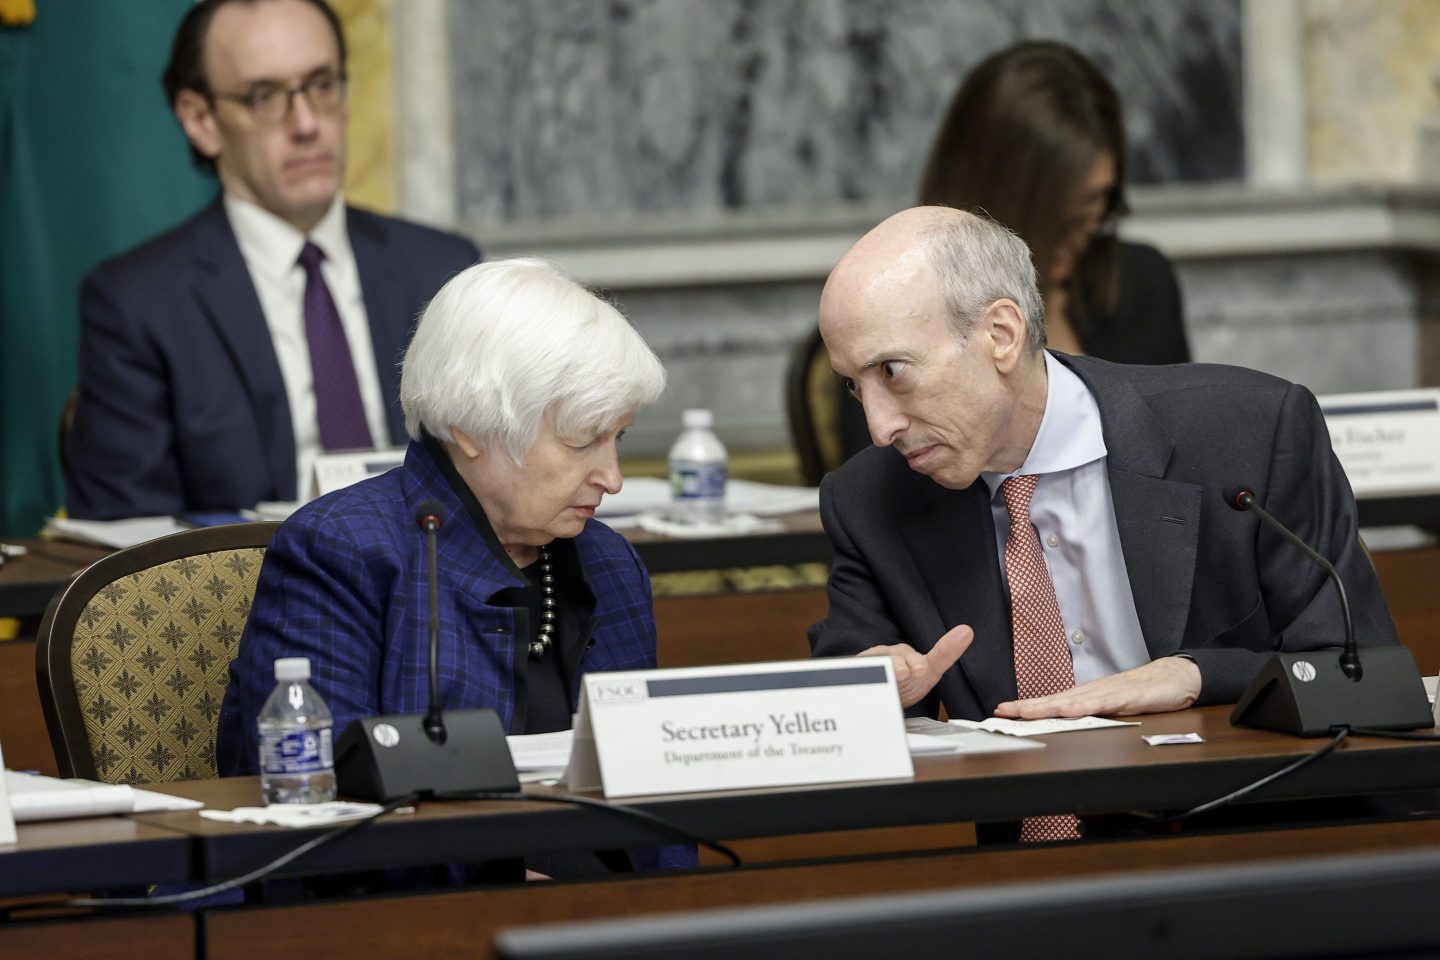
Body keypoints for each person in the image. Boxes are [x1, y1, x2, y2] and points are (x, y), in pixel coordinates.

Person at [808, 206, 1399, 728]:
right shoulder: (870, 499)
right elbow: (842, 697)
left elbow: (1365, 682)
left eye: (892, 371)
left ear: (1001, 335)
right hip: (1025, 850)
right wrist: (864, 689)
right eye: (854, 386)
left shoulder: (1248, 434)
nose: (880, 428)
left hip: (1238, 829)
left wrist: (1197, 676)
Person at [217, 257, 691, 873]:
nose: (613, 478)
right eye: (581, 440)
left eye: (617, 438)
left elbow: (652, 800)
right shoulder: (342, 548)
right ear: (470, 428)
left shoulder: (608, 561)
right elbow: (318, 805)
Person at [64, 0, 479, 520]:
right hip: (246, 596)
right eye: (265, 97)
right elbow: (132, 544)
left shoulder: (443, 270)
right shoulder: (138, 302)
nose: (306, 124)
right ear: (200, 119)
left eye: (323, 85)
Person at [918, 40, 1189, 364]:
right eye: (1059, 224)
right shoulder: (900, 315)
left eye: (1097, 204)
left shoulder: (1142, 285)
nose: (1080, 238)